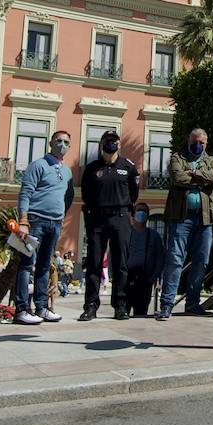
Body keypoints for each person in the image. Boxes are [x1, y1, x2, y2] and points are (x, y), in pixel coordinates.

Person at [158, 128, 213, 320]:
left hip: (205, 218)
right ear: (188, 140)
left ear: (206, 143)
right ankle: (167, 304)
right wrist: (203, 179)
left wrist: (193, 173)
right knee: (175, 259)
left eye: (201, 142)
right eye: (195, 141)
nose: (198, 145)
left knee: (201, 261)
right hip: (181, 217)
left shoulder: (211, 160)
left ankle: (193, 303)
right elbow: (178, 177)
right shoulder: (177, 158)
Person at [14, 130, 75, 325]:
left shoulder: (67, 171)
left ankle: (41, 307)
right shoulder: (38, 165)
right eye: (59, 141)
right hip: (34, 220)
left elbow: (68, 196)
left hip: (54, 223)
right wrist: (23, 220)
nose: (62, 144)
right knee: (25, 264)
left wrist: (61, 215)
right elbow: (25, 193)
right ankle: (22, 309)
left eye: (66, 142)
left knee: (44, 266)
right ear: (50, 143)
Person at [79, 129, 139, 321]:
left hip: (120, 217)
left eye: (114, 140)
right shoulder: (91, 169)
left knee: (121, 263)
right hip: (97, 218)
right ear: (101, 144)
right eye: (107, 140)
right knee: (95, 262)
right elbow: (86, 194)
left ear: (119, 144)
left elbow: (134, 193)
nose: (110, 144)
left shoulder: (128, 167)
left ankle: (120, 305)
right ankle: (90, 305)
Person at [123, 202, 166, 317]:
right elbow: (115, 254)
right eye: (139, 210)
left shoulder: (154, 236)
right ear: (133, 213)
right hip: (126, 279)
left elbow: (160, 259)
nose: (142, 213)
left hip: (144, 280)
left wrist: (152, 278)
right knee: (122, 313)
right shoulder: (125, 233)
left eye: (145, 211)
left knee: (141, 314)